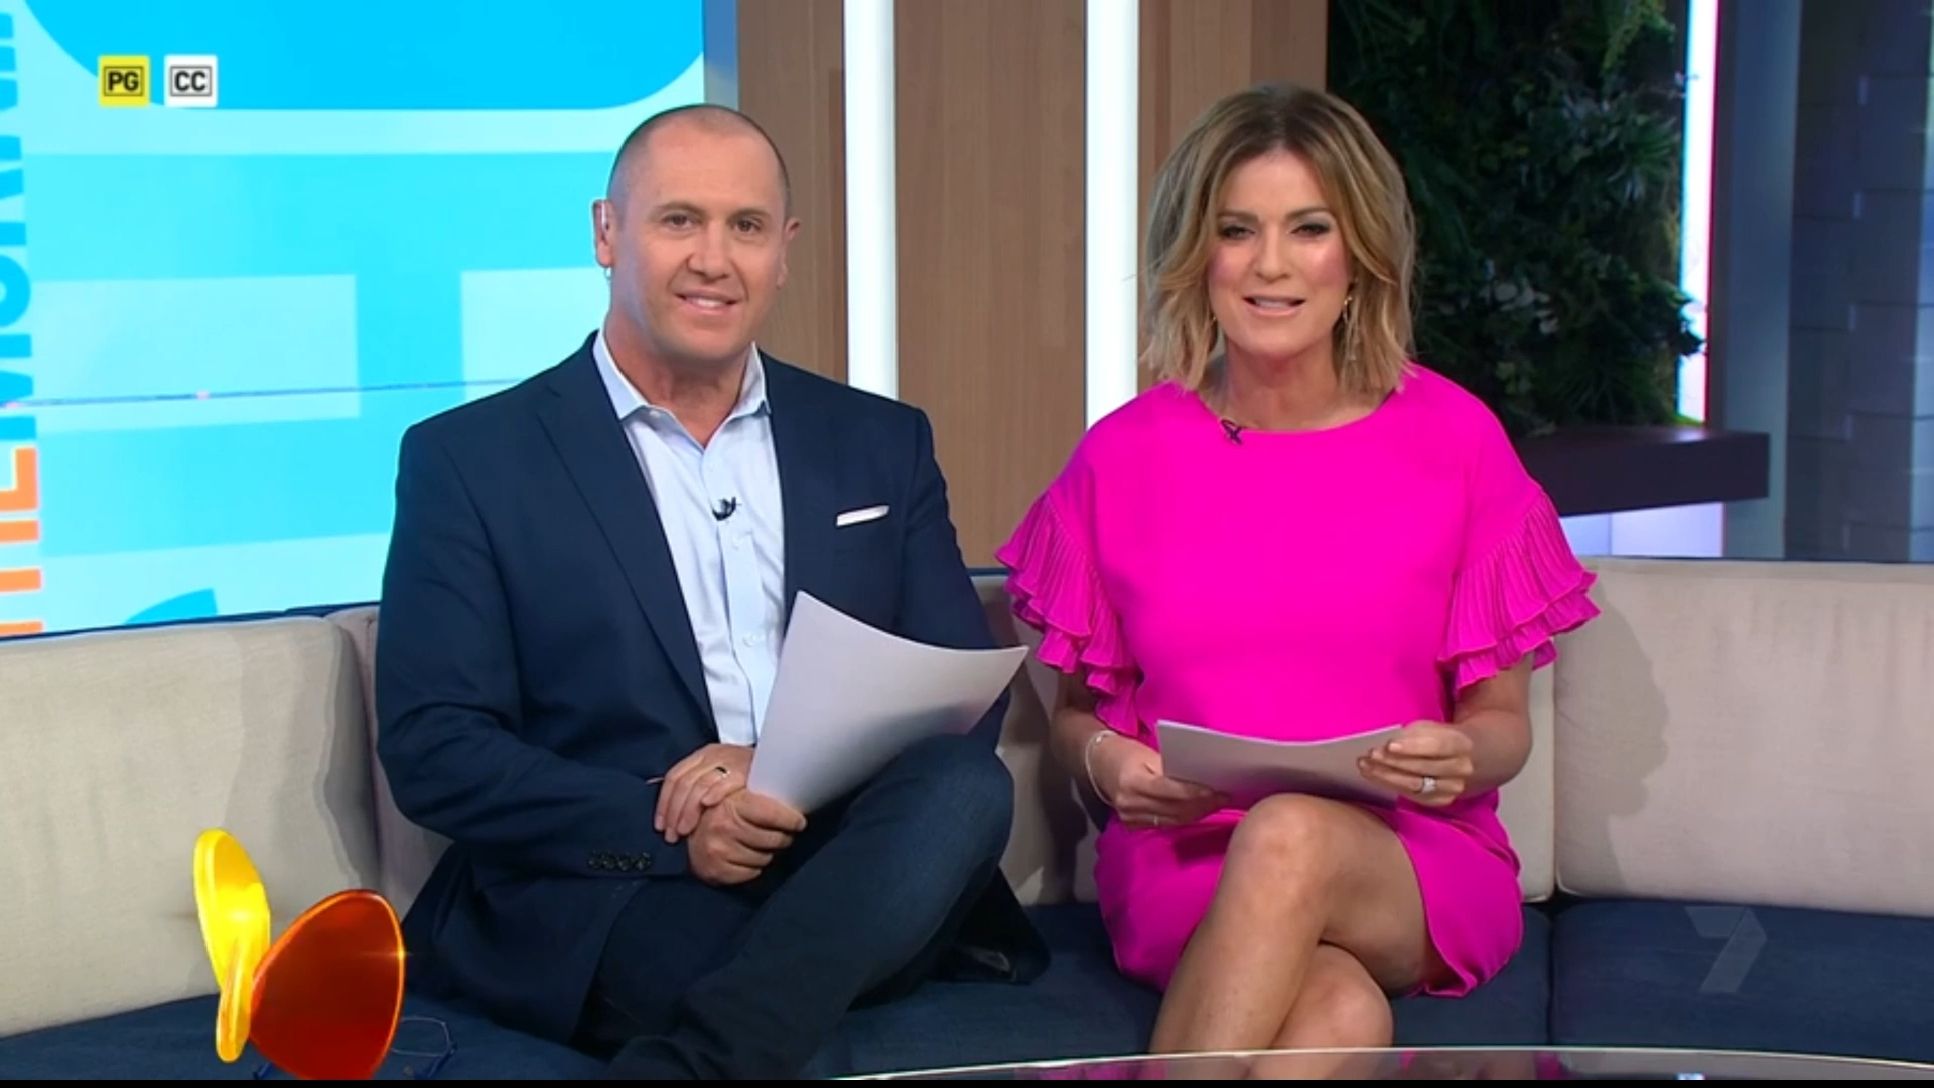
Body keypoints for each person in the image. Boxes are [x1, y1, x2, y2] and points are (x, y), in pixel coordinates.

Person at [376, 103, 1045, 1080]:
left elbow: (958, 696)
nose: (713, 259)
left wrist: (774, 774)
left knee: (964, 784)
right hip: (618, 886)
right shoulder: (473, 460)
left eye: (746, 226)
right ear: (607, 232)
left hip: (847, 856)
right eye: (678, 219)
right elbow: (435, 746)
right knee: (785, 1017)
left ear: (784, 250)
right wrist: (672, 821)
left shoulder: (878, 441)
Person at [995, 82, 1601, 1057]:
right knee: (1339, 1015)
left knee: (1288, 832)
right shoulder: (1121, 455)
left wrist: (1459, 753)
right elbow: (1075, 717)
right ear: (1195, 255)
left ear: (1357, 254)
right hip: (1187, 855)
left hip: (1409, 858)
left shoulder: (1457, 440)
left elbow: (1500, 727)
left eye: (1308, 228)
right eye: (1237, 230)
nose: (1270, 264)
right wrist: (1109, 763)